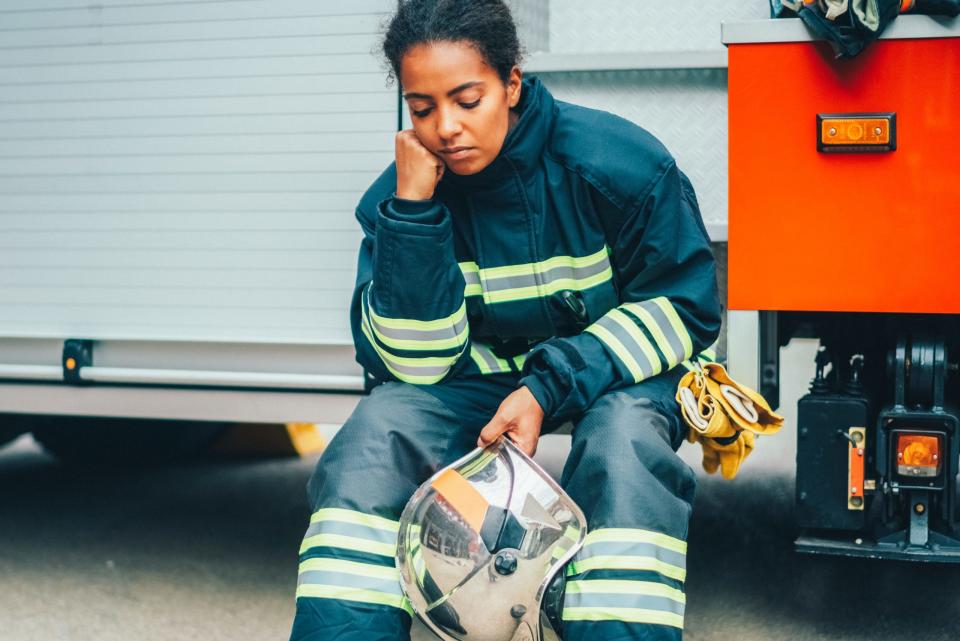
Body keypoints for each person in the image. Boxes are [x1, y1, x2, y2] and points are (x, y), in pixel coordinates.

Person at [290, 1, 721, 640]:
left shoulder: (619, 164)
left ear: (511, 84)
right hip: (478, 383)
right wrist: (411, 214)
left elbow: (684, 306)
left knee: (622, 447)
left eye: (468, 100)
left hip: (615, 375)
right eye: (422, 108)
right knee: (374, 437)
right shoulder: (397, 199)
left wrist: (548, 387)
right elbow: (414, 367)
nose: (446, 128)